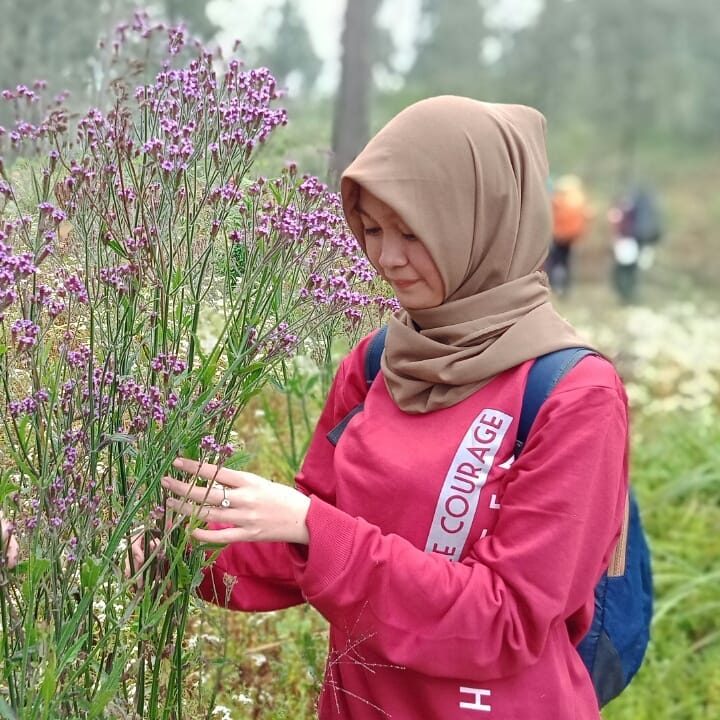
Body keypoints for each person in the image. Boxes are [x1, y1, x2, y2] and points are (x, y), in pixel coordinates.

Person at [129, 96, 629, 719]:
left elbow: (506, 621)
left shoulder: (573, 394)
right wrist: (149, 549)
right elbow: (299, 551)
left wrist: (314, 523)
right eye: (371, 230)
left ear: (484, 221)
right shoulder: (378, 363)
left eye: (414, 232)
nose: (386, 259)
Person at [547, 174, 593, 295]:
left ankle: (556, 286)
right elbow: (587, 216)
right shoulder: (580, 200)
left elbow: (554, 216)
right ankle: (565, 288)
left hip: (559, 236)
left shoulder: (560, 200)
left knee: (556, 261)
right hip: (573, 237)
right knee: (566, 262)